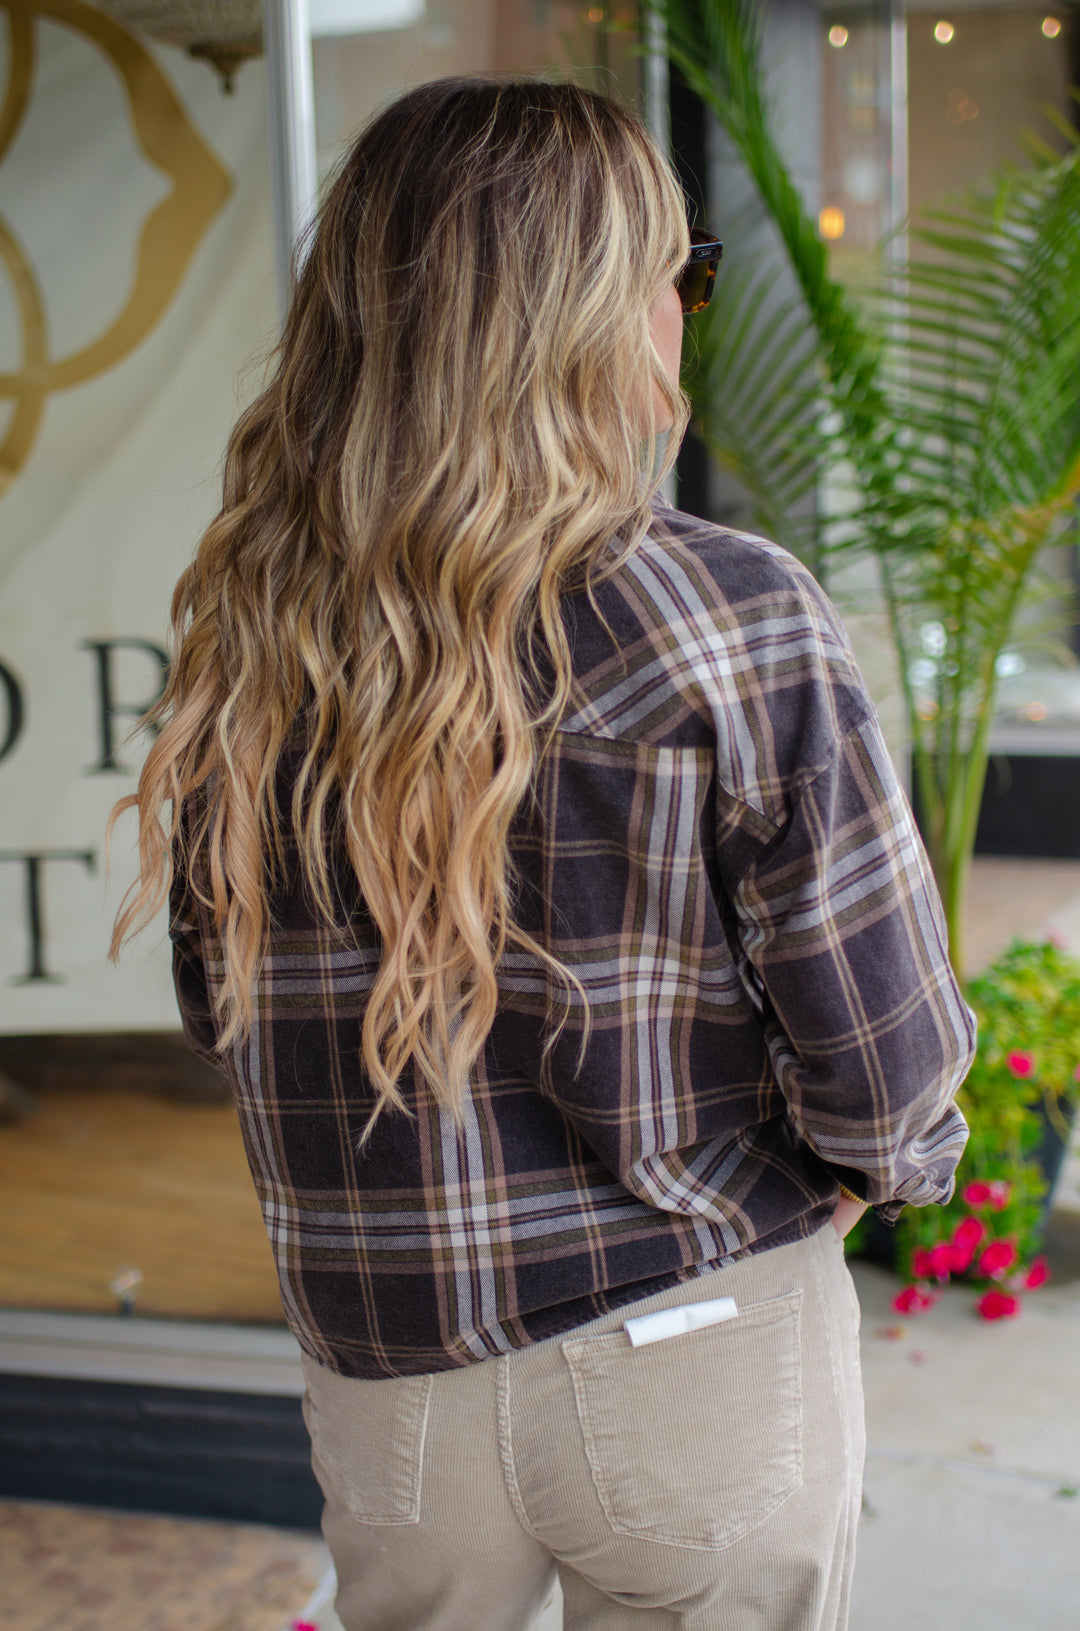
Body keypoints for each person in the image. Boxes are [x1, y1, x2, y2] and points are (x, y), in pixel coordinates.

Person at [113, 76, 974, 1631]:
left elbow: (217, 998)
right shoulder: (730, 613)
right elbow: (886, 1048)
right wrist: (878, 1178)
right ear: (592, 313)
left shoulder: (259, 628)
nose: (686, 307)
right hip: (697, 1345)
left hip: (395, 1383)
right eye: (679, 270)